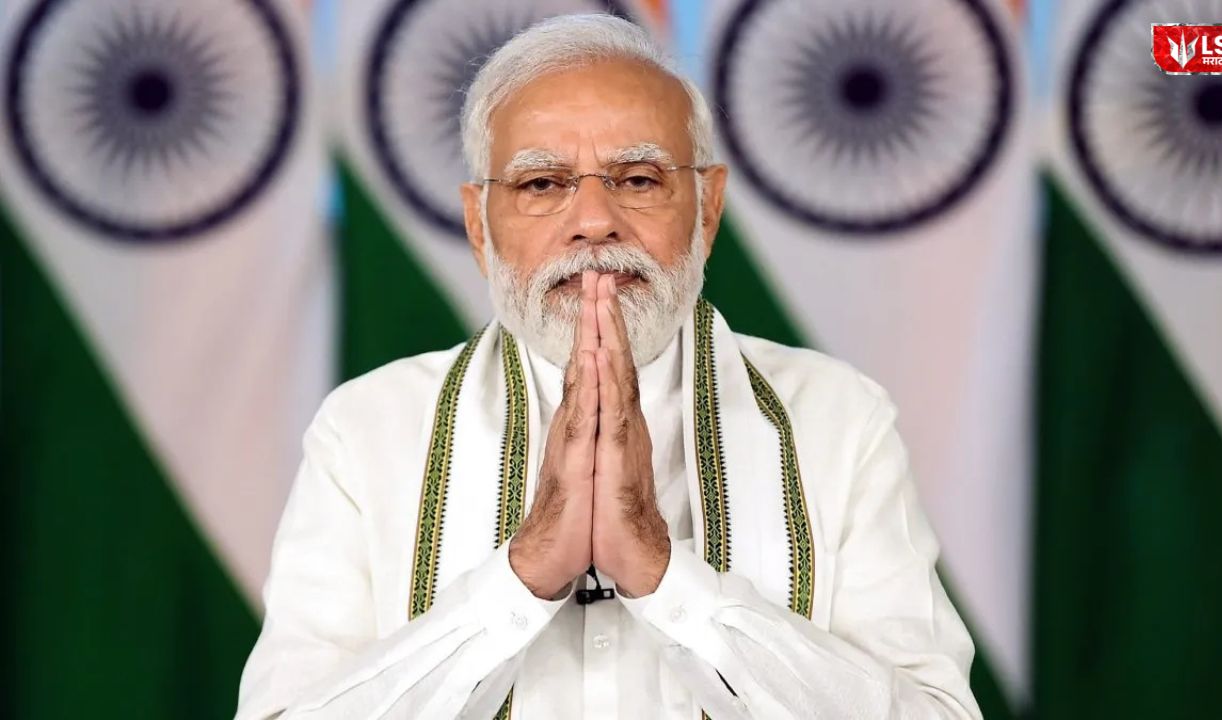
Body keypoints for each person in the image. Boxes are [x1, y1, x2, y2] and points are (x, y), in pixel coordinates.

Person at [235, 14, 981, 720]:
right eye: (541, 184)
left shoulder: (837, 419)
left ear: (707, 208)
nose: (594, 222)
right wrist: (524, 576)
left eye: (638, 179)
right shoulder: (368, 430)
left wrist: (664, 575)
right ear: (478, 225)